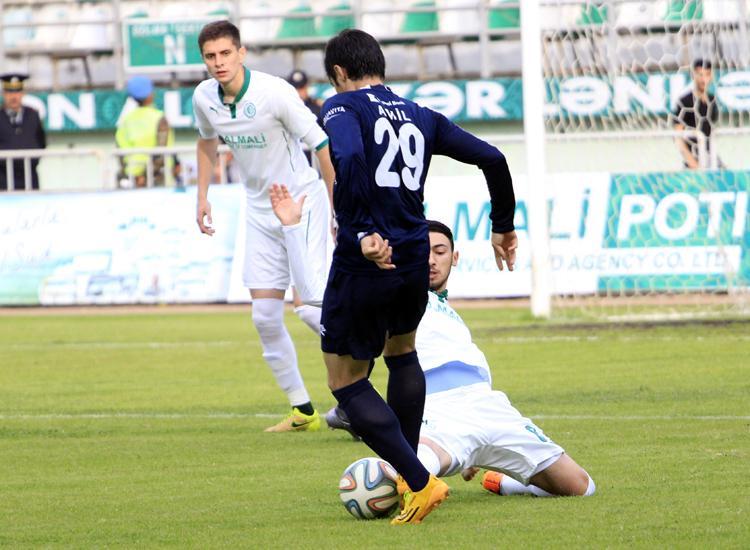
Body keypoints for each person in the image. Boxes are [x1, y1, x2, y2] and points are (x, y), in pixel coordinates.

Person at [269, 189, 596, 500]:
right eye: (422, 251)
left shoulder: (447, 310)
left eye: (439, 252)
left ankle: (502, 482)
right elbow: (311, 300)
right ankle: (383, 479)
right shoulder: (389, 295)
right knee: (401, 479)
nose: (430, 260)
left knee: (582, 486)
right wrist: (292, 228)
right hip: (437, 416)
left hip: (492, 408)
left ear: (454, 258)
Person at [318, 29, 518, 525]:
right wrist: (503, 225)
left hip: (368, 256)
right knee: (402, 353)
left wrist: (362, 231)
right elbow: (493, 158)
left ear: (339, 73)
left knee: (345, 381)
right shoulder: (420, 114)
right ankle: (410, 479)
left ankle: (421, 480)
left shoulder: (341, 106)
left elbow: (349, 157)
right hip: (412, 251)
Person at [192, 20, 336, 432]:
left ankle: (364, 381)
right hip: (258, 210)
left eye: (225, 53)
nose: (218, 62)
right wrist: (202, 196)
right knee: (265, 317)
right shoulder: (204, 97)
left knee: (309, 309)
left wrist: (337, 207)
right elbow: (206, 143)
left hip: (302, 203)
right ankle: (303, 411)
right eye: (210, 56)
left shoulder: (274, 93)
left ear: (241, 53)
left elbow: (321, 144)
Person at [116, 76, 175, 188]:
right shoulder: (159, 118)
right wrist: (144, 176)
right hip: (156, 179)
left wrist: (133, 176)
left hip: (131, 179)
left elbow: (120, 152)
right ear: (149, 95)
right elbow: (161, 152)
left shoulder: (125, 120)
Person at [0, 73, 46, 191]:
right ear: (4, 94)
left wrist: (34, 160)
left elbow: (41, 141)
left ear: (22, 93)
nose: (13, 97)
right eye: (9, 93)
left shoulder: (33, 115)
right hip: (3, 179)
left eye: (17, 92)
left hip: (30, 177)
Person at [672, 59, 720, 170]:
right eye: (700, 74)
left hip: (710, 158)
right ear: (693, 75)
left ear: (711, 76)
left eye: (707, 74)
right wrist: (692, 163)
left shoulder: (712, 100)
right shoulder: (685, 101)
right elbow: (677, 136)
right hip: (693, 160)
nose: (704, 79)